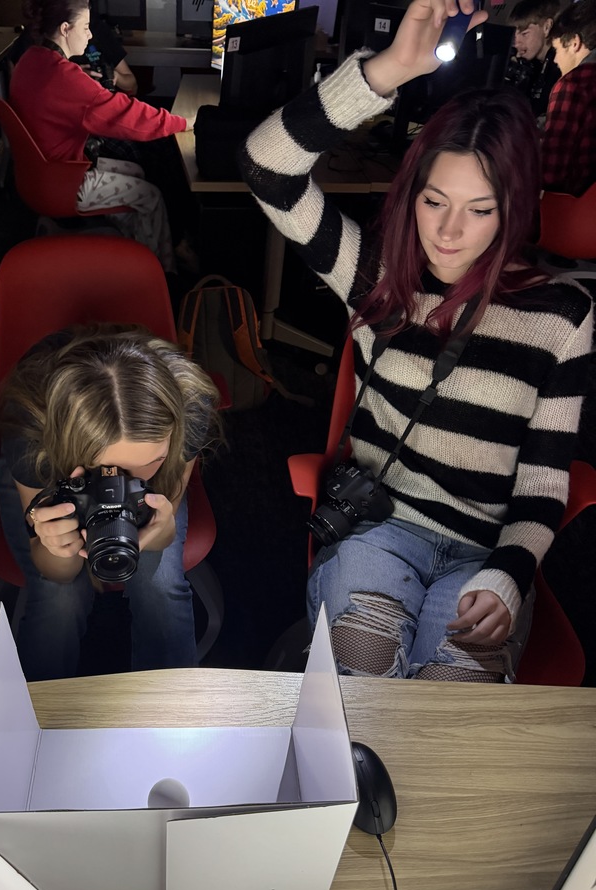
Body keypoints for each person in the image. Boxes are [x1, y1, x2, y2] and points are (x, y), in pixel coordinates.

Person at [239, 0, 593, 683]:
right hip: (382, 529)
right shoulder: (375, 273)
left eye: (480, 210)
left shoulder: (561, 315)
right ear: (413, 195)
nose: (449, 233)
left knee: (447, 711)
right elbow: (265, 166)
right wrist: (388, 70)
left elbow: (544, 482)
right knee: (362, 691)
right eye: (435, 202)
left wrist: (511, 574)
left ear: (514, 208)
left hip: (485, 553)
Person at [0, 325, 223, 681]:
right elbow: (55, 573)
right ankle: (33, 714)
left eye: (153, 460)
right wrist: (59, 548)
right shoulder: (31, 430)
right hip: (49, 466)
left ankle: (170, 709)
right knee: (57, 600)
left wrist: (159, 530)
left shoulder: (189, 406)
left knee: (162, 585)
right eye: (110, 470)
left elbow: (165, 530)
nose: (128, 482)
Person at [10, 0, 194, 273]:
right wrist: (183, 122)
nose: (90, 34)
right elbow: (129, 116)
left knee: (137, 172)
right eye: (85, 27)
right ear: (65, 29)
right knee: (152, 197)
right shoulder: (64, 76)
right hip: (64, 182)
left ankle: (135, 248)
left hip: (39, 173)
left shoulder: (31, 59)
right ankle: (160, 276)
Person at [541, 0, 596, 196]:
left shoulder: (573, 85)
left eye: (557, 50)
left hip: (576, 206)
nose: (555, 60)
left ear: (574, 43)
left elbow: (550, 173)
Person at [505, 0, 561, 119]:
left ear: (546, 27)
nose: (516, 43)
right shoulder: (530, 65)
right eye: (514, 36)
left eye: (524, 34)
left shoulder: (560, 66)